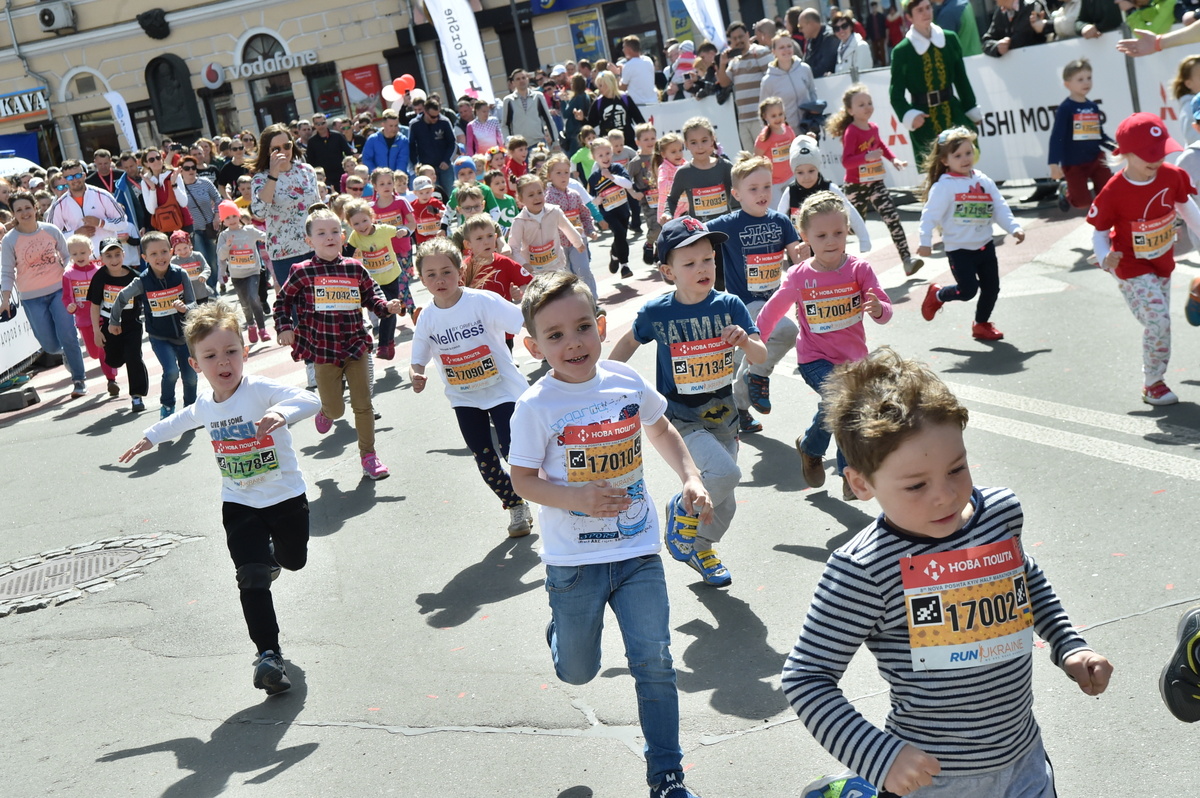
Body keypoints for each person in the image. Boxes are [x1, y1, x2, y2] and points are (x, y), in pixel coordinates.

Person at [781, 346, 1114, 796]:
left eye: (957, 468)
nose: (944, 495)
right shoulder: (865, 568)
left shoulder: (998, 514)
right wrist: (879, 758)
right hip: (934, 778)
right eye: (916, 484)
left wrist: (1068, 644)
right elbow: (807, 678)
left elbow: (1026, 578)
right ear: (861, 484)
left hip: (1024, 760)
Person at [508, 270, 713, 798]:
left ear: (600, 325)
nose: (573, 342)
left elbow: (661, 428)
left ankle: (666, 774)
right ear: (534, 345)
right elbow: (522, 479)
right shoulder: (535, 406)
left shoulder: (625, 380)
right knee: (578, 671)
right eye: (555, 335)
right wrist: (575, 497)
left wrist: (690, 476)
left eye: (582, 327)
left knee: (656, 663)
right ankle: (561, 635)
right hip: (573, 564)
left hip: (639, 550)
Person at [118, 301, 321, 696]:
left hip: (284, 496)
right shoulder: (206, 405)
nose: (223, 362)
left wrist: (282, 413)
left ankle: (274, 560)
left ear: (244, 352)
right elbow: (182, 419)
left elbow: (310, 401)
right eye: (210, 356)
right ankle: (268, 655)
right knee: (251, 577)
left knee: (293, 560)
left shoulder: (259, 389)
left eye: (231, 352)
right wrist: (150, 436)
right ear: (195, 365)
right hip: (239, 502)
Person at [609, 216, 766, 587]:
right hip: (680, 417)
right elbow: (630, 341)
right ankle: (680, 507)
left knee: (724, 499)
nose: (703, 268)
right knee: (726, 474)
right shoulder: (658, 312)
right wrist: (604, 379)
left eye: (708, 259)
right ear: (668, 271)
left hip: (724, 417)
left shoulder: (730, 305)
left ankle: (701, 546)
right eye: (690, 263)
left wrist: (744, 340)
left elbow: (759, 356)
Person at [758, 191, 892, 500]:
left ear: (848, 230)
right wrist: (755, 343)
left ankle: (810, 446)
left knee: (837, 407)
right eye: (821, 235)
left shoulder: (859, 269)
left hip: (854, 362)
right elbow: (772, 311)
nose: (831, 241)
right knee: (845, 406)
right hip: (814, 359)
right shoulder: (799, 276)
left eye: (838, 233)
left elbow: (884, 308)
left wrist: (878, 309)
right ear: (804, 236)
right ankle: (850, 474)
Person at [409, 237, 534, 537]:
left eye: (447, 271)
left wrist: (543, 343)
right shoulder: (427, 317)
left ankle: (553, 496)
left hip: (503, 389)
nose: (440, 280)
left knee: (512, 451)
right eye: (431, 274)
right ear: (422, 279)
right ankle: (516, 505)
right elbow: (417, 357)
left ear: (460, 272)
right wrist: (416, 374)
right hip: (464, 398)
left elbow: (524, 321)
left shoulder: (482, 301)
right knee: (485, 459)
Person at [273, 208, 406, 479]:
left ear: (343, 236)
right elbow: (282, 302)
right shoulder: (302, 272)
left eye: (334, 231)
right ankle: (326, 411)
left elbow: (372, 296)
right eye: (321, 233)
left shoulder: (355, 268)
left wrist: (386, 306)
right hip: (323, 350)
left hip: (355, 344)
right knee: (336, 408)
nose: (329, 237)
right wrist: (285, 327)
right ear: (309, 241)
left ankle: (369, 456)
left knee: (363, 403)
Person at [1087, 112, 1200, 405]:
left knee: (1157, 320)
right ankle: (1153, 382)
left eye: (1160, 152)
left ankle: (1154, 378)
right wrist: (1103, 258)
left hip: (1161, 261)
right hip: (1129, 265)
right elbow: (1099, 233)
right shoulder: (1113, 191)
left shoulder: (1172, 175)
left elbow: (1187, 209)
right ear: (1125, 153)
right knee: (1159, 320)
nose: (1156, 160)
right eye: (1148, 154)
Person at [706, 155, 804, 436]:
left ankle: (737, 409)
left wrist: (804, 252)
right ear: (736, 194)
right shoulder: (728, 223)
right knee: (786, 333)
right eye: (753, 189)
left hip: (774, 302)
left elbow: (796, 254)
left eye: (766, 186)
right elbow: (694, 236)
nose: (762, 194)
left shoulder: (781, 221)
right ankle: (758, 377)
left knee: (737, 359)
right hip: (744, 303)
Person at [917, 126, 1023, 342]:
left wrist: (1013, 227)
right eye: (957, 156)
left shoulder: (983, 180)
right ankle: (938, 295)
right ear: (945, 161)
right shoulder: (944, 187)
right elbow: (929, 215)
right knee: (968, 291)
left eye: (968, 152)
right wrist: (925, 242)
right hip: (960, 250)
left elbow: (999, 206)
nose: (965, 159)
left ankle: (981, 324)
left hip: (985, 245)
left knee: (992, 288)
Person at [829, 84, 923, 276]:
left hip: (876, 183)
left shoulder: (873, 128)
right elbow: (847, 162)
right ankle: (835, 266)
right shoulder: (852, 132)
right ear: (850, 111)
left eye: (869, 103)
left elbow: (881, 146)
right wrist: (867, 157)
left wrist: (894, 159)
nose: (867, 107)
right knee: (852, 228)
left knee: (892, 217)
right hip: (856, 186)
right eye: (861, 104)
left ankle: (907, 259)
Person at [1, 190, 88, 397]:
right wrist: (5, 298)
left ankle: (79, 380)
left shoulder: (50, 229)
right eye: (19, 210)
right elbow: (6, 271)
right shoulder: (9, 240)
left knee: (68, 335)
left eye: (28, 208)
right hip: (31, 298)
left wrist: (69, 276)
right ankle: (65, 353)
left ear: (35, 208)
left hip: (59, 291)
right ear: (13, 213)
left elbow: (67, 256)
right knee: (49, 345)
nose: (25, 213)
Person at [112, 231, 199, 418]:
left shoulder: (180, 274)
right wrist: (114, 321)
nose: (160, 257)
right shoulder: (142, 281)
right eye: (153, 254)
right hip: (160, 337)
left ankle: (191, 409)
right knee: (171, 372)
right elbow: (121, 297)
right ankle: (167, 406)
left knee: (190, 376)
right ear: (144, 258)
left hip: (184, 335)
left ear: (171, 252)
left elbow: (194, 304)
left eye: (164, 251)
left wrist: (186, 308)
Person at [889, 0, 981, 163]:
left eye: (928, 8)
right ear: (909, 17)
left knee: (964, 162)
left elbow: (961, 79)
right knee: (935, 170)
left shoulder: (950, 39)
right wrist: (908, 115)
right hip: (924, 119)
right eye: (919, 10)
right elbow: (895, 94)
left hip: (953, 111)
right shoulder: (902, 51)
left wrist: (970, 108)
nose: (926, 13)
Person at [250, 124, 321, 288]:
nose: (283, 151)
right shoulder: (260, 178)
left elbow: (318, 207)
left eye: (287, 145)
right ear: (267, 151)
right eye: (276, 148)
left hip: (315, 247)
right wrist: (273, 175)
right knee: (297, 308)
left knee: (324, 306)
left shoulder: (306, 170)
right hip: (284, 253)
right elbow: (260, 213)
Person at [345, 197, 413, 360]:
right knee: (387, 311)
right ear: (350, 225)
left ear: (372, 217)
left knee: (391, 310)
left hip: (391, 277)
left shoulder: (384, 230)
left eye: (364, 221)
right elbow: (347, 254)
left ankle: (386, 344)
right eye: (356, 224)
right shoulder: (355, 237)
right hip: (374, 282)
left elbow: (402, 230)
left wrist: (403, 231)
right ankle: (386, 344)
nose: (361, 226)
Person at [777, 135, 873, 250]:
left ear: (818, 168)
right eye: (800, 172)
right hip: (801, 249)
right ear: (794, 172)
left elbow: (851, 212)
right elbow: (779, 218)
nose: (806, 177)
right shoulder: (790, 191)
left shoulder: (830, 188)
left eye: (811, 171)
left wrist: (864, 240)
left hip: (830, 247)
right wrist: (779, 246)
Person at [87, 237, 149, 412]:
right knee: (114, 360)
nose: (114, 260)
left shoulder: (134, 277)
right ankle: (119, 357)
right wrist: (96, 332)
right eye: (109, 256)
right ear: (101, 259)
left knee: (133, 357)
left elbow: (146, 300)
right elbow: (94, 305)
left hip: (131, 324)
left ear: (123, 254)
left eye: (117, 254)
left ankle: (137, 397)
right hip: (109, 325)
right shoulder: (100, 277)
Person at [1047, 58, 1114, 211]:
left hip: (1096, 159)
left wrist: (1117, 147)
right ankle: (1066, 190)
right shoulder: (1066, 108)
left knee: (1107, 194)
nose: (1086, 83)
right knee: (1082, 203)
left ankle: (1105, 226)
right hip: (1073, 162)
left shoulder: (1092, 106)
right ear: (1067, 84)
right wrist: (1053, 164)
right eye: (1080, 79)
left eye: (1089, 78)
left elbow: (1100, 135)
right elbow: (1057, 137)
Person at [61, 234, 119, 396]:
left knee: (103, 349)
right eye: (74, 254)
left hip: (101, 317)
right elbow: (66, 297)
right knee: (93, 353)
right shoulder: (68, 275)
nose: (79, 257)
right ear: (69, 255)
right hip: (83, 320)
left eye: (82, 252)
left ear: (90, 251)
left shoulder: (100, 271)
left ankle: (111, 380)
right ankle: (109, 372)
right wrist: (70, 306)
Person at [660, 118, 737, 229]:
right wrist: (667, 213)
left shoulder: (725, 167)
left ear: (712, 140)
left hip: (726, 229)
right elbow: (672, 199)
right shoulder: (683, 173)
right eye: (693, 142)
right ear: (686, 144)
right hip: (699, 232)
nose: (700, 146)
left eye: (704, 140)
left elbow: (743, 191)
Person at [508, 175, 584, 276]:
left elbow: (567, 228)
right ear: (521, 199)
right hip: (534, 271)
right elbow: (514, 248)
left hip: (557, 266)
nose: (537, 197)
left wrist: (578, 242)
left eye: (540, 192)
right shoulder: (519, 221)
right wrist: (524, 264)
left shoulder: (554, 211)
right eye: (531, 195)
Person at [586, 137, 639, 279]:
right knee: (620, 233)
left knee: (621, 236)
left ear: (612, 153)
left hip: (623, 209)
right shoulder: (593, 178)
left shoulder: (618, 168)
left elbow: (628, 184)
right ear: (594, 157)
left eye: (608, 153)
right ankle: (625, 266)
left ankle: (614, 254)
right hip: (608, 213)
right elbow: (590, 199)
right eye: (600, 155)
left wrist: (612, 177)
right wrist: (596, 200)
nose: (605, 157)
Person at [216, 202, 270, 343]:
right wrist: (227, 246)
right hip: (237, 276)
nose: (232, 220)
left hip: (253, 271)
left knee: (254, 297)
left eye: (234, 215)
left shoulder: (250, 230)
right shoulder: (223, 235)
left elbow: (266, 237)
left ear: (239, 215)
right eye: (227, 218)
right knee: (245, 303)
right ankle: (251, 325)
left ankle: (262, 329)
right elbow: (221, 257)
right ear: (223, 220)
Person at [717, 21, 776, 151]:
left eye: (741, 36)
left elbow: (774, 78)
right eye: (734, 38)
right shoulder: (734, 60)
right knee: (752, 162)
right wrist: (722, 64)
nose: (738, 40)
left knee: (767, 156)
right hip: (743, 120)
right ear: (730, 41)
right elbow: (724, 82)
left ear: (747, 35)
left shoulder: (760, 52)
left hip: (760, 118)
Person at [46, 158, 127, 249]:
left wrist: (101, 223)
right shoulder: (59, 206)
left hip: (108, 256)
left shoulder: (102, 195)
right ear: (65, 180)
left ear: (84, 175)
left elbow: (123, 221)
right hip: (81, 260)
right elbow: (50, 236)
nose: (75, 180)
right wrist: (75, 234)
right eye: (70, 177)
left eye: (78, 175)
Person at [179, 155, 222, 293]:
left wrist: (216, 216)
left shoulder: (205, 182)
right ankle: (207, 290)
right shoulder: (178, 188)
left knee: (213, 261)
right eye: (187, 168)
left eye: (193, 167)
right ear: (181, 170)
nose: (191, 170)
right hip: (193, 230)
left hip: (210, 226)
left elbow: (218, 199)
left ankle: (214, 287)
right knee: (201, 260)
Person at [759, 32, 818, 134]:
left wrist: (816, 116)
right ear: (774, 52)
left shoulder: (805, 69)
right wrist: (769, 134)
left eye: (789, 46)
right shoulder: (768, 81)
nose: (786, 50)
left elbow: (813, 93)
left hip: (809, 129)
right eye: (781, 47)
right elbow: (763, 111)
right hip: (785, 134)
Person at [409, 99, 459, 198]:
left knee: (450, 193)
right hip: (426, 166)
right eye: (433, 116)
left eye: (438, 115)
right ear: (425, 112)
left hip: (445, 166)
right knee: (432, 195)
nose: (436, 118)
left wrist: (447, 160)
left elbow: (452, 143)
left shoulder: (444, 121)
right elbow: (411, 145)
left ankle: (452, 213)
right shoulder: (415, 124)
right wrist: (415, 163)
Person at [628, 123, 662, 265]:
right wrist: (634, 193)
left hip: (663, 198)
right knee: (655, 228)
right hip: (647, 201)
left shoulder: (661, 157)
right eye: (646, 139)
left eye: (653, 138)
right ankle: (649, 244)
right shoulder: (635, 162)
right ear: (638, 142)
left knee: (665, 227)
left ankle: (660, 252)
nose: (650, 142)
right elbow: (626, 181)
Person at [585, 71, 645, 149]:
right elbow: (590, 124)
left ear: (609, 84)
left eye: (601, 85)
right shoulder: (598, 102)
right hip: (608, 145)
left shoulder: (625, 98)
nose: (598, 89)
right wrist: (581, 119)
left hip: (628, 142)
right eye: (598, 86)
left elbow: (639, 120)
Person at [501, 70, 556, 150]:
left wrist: (555, 142)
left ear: (528, 79)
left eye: (523, 78)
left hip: (539, 143)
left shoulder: (538, 96)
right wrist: (509, 143)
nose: (521, 81)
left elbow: (548, 120)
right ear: (513, 83)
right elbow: (505, 125)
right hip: (519, 147)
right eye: (518, 79)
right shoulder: (508, 100)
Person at [306, 112, 356, 191]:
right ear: (314, 125)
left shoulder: (337, 136)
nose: (320, 126)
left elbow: (348, 153)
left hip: (341, 174)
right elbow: (310, 161)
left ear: (326, 122)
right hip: (324, 178)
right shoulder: (312, 142)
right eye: (317, 124)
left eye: (322, 123)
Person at [982, 0, 1050, 56]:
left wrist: (1007, 45)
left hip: (1038, 62)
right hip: (1014, 68)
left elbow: (1023, 37)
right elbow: (986, 41)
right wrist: (997, 47)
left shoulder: (1034, 5)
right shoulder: (1000, 13)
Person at [362, 109, 411, 176]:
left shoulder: (403, 140)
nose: (394, 129)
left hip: (398, 179)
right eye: (391, 126)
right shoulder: (373, 139)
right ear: (383, 125)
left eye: (396, 125)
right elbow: (367, 159)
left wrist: (398, 175)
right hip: (378, 179)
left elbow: (402, 160)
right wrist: (375, 173)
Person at [170, 229, 211, 305]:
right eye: (179, 249)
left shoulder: (197, 256)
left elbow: (206, 268)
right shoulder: (173, 261)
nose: (183, 252)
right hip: (186, 296)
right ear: (174, 251)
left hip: (201, 292)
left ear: (190, 246)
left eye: (185, 248)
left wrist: (204, 275)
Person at [797, 8, 839, 77]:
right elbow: (804, 64)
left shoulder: (830, 38)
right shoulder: (810, 39)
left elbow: (824, 68)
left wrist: (804, 74)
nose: (800, 30)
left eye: (801, 27)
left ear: (810, 24)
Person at [619, 35, 659, 106]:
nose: (623, 50)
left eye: (624, 47)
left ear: (629, 49)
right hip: (654, 102)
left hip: (639, 106)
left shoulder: (629, 65)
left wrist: (617, 74)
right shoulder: (648, 60)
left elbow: (622, 88)